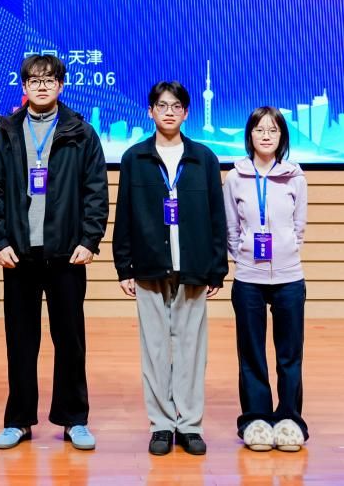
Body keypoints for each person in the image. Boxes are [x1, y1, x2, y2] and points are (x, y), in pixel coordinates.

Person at [0, 54, 109, 451]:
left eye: (49, 79)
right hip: (18, 254)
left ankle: (74, 420)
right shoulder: (5, 133)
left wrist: (89, 240)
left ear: (61, 86)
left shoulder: (81, 133)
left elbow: (96, 191)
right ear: (23, 87)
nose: (41, 86)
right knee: (20, 341)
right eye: (34, 80)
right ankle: (18, 420)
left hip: (66, 253)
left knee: (70, 340)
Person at [113, 81, 227, 456]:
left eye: (176, 106)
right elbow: (124, 214)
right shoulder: (134, 158)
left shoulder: (204, 158)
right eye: (161, 106)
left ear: (186, 113)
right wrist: (124, 266)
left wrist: (217, 268)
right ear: (150, 111)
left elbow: (217, 216)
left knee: (192, 350)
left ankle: (189, 425)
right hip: (149, 266)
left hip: (193, 265)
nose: (169, 112)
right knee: (156, 350)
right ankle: (161, 425)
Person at [223, 106, 309, 452]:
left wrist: (285, 252)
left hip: (289, 277)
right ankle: (256, 419)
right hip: (248, 278)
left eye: (273, 130)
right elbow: (231, 229)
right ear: (250, 135)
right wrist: (245, 255)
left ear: (282, 136)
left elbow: (298, 228)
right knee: (251, 353)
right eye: (259, 129)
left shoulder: (295, 177)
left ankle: (289, 419)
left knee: (289, 354)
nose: (266, 135)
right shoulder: (235, 177)